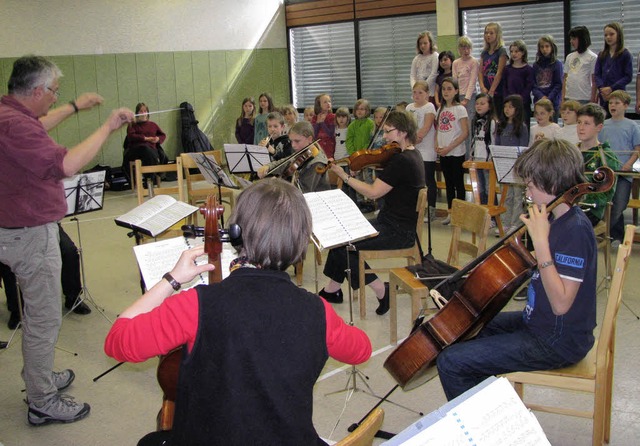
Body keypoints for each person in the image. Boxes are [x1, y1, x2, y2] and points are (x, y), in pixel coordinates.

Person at [105, 178, 372, 445]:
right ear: (302, 240)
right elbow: (362, 349)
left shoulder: (195, 306)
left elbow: (118, 341)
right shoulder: (319, 312)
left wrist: (172, 279)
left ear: (235, 232)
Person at [0, 55, 133, 425]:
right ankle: (41, 398)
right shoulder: (18, 127)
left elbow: (38, 123)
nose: (55, 99)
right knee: (43, 321)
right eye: (55, 93)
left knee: (39, 316)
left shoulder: (8, 114)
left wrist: (76, 107)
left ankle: (38, 376)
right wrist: (107, 126)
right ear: (38, 90)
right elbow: (67, 165)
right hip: (29, 235)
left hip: (13, 228)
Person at [436, 137, 599, 400]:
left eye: (531, 185)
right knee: (469, 327)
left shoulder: (575, 231)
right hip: (538, 322)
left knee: (451, 362)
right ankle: (492, 408)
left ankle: (480, 433)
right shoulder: (558, 218)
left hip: (557, 341)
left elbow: (561, 304)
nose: (527, 192)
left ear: (554, 183)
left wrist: (541, 242)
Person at [319, 111, 426, 315]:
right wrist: (363, 165)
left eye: (388, 131)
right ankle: (332, 289)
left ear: (403, 132)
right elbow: (387, 174)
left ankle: (381, 290)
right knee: (341, 237)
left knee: (344, 245)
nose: (384, 137)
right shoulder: (412, 154)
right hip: (394, 223)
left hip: (397, 231)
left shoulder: (401, 161)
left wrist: (344, 176)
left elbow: (373, 193)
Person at [599, 90, 640, 245]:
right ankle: (615, 236)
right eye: (610, 103)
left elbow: (637, 149)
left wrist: (628, 164)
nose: (613, 106)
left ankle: (604, 232)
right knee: (608, 205)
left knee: (620, 205)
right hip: (607, 173)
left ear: (625, 106)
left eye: (617, 103)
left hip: (624, 173)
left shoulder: (632, 126)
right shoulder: (603, 125)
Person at [576, 103, 621, 226]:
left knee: (568, 225)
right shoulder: (571, 151)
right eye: (579, 122)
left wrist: (582, 200)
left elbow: (607, 191)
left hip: (591, 209)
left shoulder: (606, 155)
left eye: (586, 123)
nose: (581, 127)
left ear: (599, 127)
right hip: (567, 204)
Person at [257, 121, 330, 193]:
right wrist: (268, 166)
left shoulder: (317, 163)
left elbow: (303, 191)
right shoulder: (303, 153)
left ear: (310, 139)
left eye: (297, 141)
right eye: (291, 141)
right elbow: (285, 162)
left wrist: (279, 184)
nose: (293, 145)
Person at [435, 77, 469, 225]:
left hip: (455, 152)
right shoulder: (440, 109)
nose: (446, 92)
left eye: (449, 88)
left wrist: (449, 147)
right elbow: (438, 131)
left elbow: (464, 133)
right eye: (443, 89)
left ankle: (460, 215)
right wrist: (437, 145)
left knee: (458, 184)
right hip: (443, 153)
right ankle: (450, 212)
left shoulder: (460, 109)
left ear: (456, 91)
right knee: (448, 184)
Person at [494, 95, 529, 235]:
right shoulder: (500, 126)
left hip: (517, 167)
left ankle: (516, 223)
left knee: (517, 196)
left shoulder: (522, 127)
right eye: (505, 106)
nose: (507, 110)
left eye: (510, 107)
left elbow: (524, 146)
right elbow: (497, 144)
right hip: (503, 166)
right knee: (505, 195)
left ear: (517, 109)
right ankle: (505, 222)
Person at [406, 81, 437, 220]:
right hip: (412, 148)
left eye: (420, 92)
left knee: (428, 179)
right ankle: (416, 207)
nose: (417, 95)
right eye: (414, 92)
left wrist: (415, 138)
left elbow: (426, 127)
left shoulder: (429, 106)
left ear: (427, 94)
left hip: (426, 149)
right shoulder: (409, 107)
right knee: (413, 179)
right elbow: (407, 126)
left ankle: (431, 209)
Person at [594, 22, 633, 111]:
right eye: (606, 35)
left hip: (618, 94)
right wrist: (602, 89)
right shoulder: (602, 55)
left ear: (619, 35)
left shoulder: (625, 54)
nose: (608, 37)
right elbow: (597, 74)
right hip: (604, 95)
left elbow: (628, 76)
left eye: (611, 34)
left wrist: (611, 88)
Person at [122, 102, 167, 178]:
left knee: (157, 154)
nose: (143, 113)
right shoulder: (132, 125)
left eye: (145, 111)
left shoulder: (153, 125)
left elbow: (162, 135)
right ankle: (150, 178)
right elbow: (131, 136)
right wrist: (145, 138)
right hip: (136, 150)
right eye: (141, 111)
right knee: (146, 150)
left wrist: (157, 139)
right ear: (137, 113)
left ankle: (153, 176)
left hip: (151, 149)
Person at [452, 36, 479, 155]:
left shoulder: (474, 62)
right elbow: (454, 81)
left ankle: (470, 155)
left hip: (470, 97)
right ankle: (461, 155)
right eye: (463, 48)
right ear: (459, 49)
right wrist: (455, 98)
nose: (465, 50)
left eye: (468, 48)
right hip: (459, 97)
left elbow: (472, 81)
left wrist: (467, 99)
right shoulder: (456, 63)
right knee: (459, 128)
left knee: (469, 128)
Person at [470, 93, 497, 205]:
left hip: (487, 160)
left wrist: (491, 159)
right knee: (479, 188)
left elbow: (494, 142)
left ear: (489, 106)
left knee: (488, 188)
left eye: (482, 103)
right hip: (476, 159)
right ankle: (482, 214)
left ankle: (492, 217)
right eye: (477, 104)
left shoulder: (492, 122)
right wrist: (471, 157)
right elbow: (473, 141)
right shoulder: (474, 122)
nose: (478, 106)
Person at [502, 40, 534, 126]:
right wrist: (508, 100)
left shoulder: (528, 70)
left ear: (523, 52)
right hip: (509, 103)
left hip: (523, 104)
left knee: (523, 127)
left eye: (516, 51)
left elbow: (529, 87)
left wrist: (519, 101)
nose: (513, 54)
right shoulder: (507, 69)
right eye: (511, 51)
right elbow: (504, 86)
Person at [562, 26, 597, 105]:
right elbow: (565, 78)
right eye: (570, 39)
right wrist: (563, 98)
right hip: (569, 97)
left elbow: (594, 81)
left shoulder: (592, 57)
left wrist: (592, 99)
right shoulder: (569, 56)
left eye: (574, 39)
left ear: (582, 39)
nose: (571, 41)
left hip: (584, 97)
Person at [479, 22, 508, 114]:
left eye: (491, 33)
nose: (488, 35)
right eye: (486, 33)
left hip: (497, 91)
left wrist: (492, 90)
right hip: (486, 90)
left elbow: (499, 72)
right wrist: (482, 87)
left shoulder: (501, 51)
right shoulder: (484, 52)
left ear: (497, 34)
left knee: (498, 116)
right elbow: (480, 72)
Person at [532, 35, 563, 122]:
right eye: (542, 47)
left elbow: (558, 84)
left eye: (547, 46)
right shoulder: (536, 65)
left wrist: (548, 98)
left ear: (552, 47)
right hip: (539, 102)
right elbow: (533, 85)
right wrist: (541, 97)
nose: (544, 49)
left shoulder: (557, 64)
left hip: (552, 103)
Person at [410, 30, 439, 102]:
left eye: (425, 43)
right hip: (418, 93)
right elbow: (412, 75)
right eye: (420, 44)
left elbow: (434, 74)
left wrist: (423, 87)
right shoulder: (417, 58)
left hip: (430, 93)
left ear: (430, 43)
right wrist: (415, 88)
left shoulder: (435, 56)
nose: (422, 46)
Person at [311, 93, 336, 159]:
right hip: (318, 147)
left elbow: (330, 134)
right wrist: (317, 123)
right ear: (319, 105)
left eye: (329, 101)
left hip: (329, 147)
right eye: (325, 102)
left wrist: (322, 123)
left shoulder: (332, 117)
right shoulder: (315, 118)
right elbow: (314, 135)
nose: (328, 103)